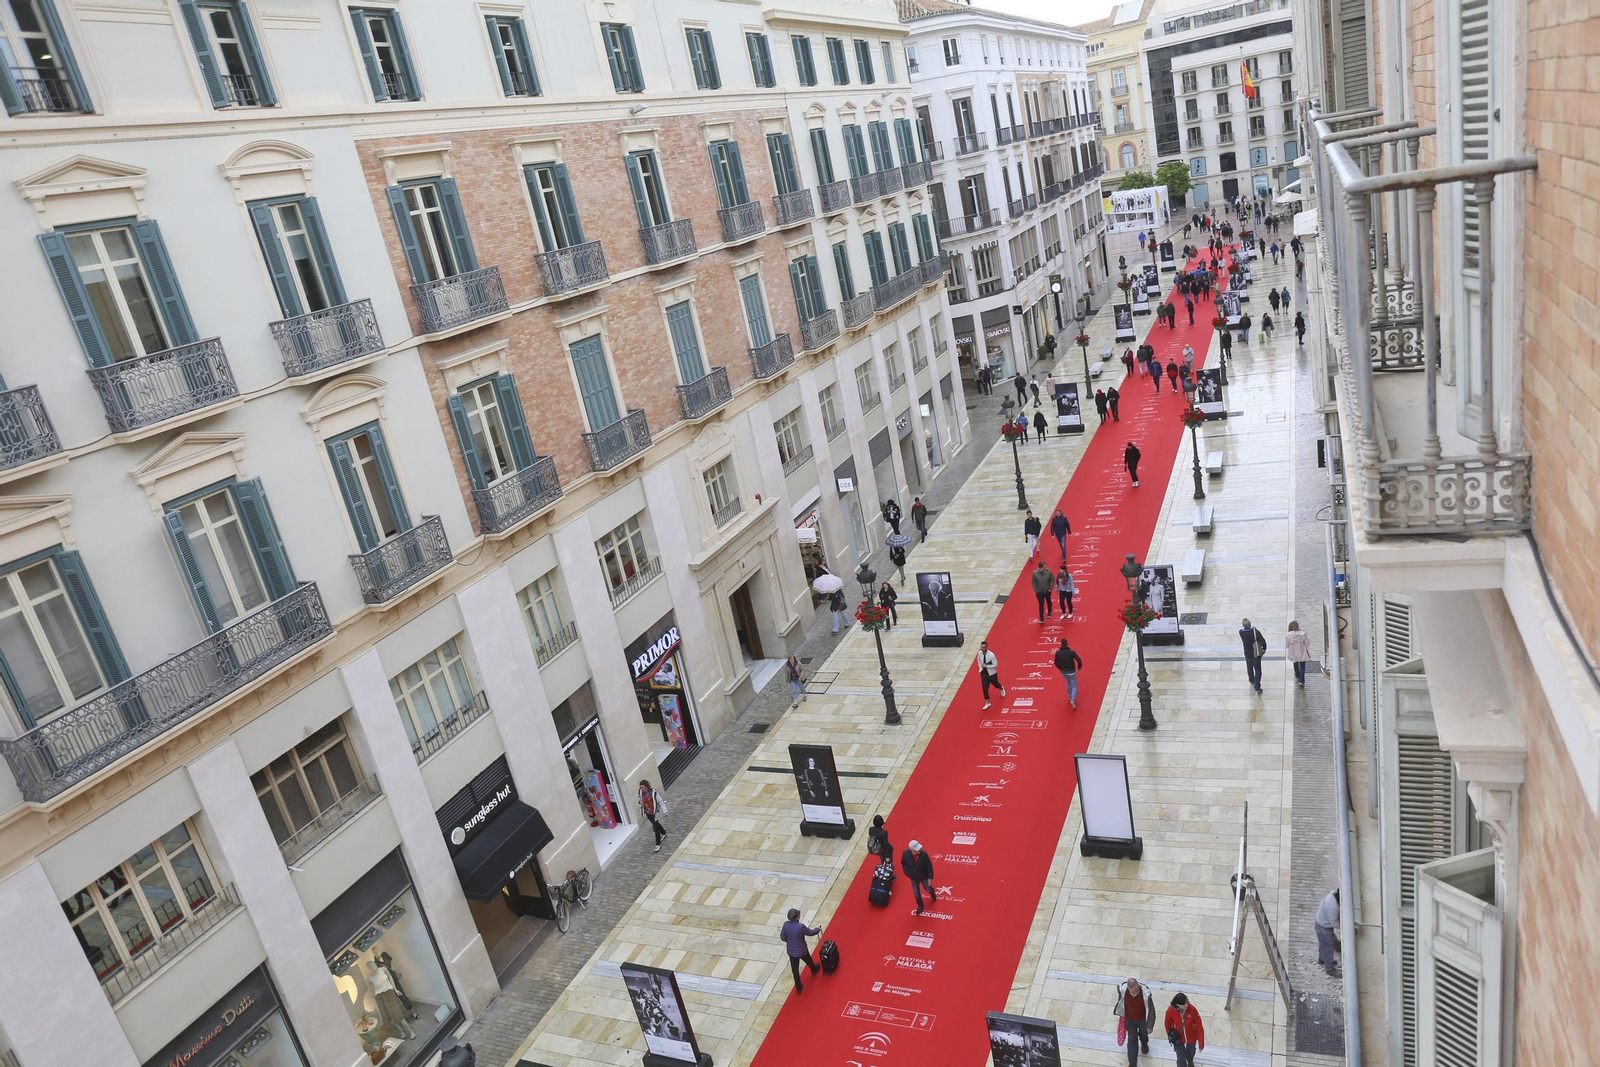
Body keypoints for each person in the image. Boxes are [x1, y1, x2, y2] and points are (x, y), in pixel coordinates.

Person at [1113, 977, 1157, 1065]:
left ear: (1138, 986)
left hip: (1142, 1020)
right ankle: (1133, 1062)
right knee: (1132, 1039)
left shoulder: (1145, 994)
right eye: (1131, 992)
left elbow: (1151, 1010)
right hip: (1130, 1019)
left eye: (1135, 991)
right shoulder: (1123, 991)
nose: (1133, 994)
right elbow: (1121, 1002)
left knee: (1143, 1035)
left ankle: (1144, 1043)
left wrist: (1149, 1026)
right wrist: (1121, 1015)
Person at [780, 908, 823, 993]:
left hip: (791, 951)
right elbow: (810, 932)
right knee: (808, 960)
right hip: (801, 950)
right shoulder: (800, 927)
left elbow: (783, 937)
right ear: (797, 917)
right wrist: (817, 929)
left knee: (795, 970)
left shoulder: (786, 925)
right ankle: (814, 969)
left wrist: (791, 941)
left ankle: (798, 988)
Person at [1164, 994, 1206, 1067]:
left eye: (1187, 1002)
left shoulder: (1192, 1009)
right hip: (1178, 1038)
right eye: (1184, 1004)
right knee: (1180, 1058)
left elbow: (1199, 1026)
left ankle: (1190, 1060)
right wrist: (1170, 1035)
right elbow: (1167, 1025)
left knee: (1191, 1051)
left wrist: (1201, 1043)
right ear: (1177, 1004)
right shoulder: (1170, 1011)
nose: (1186, 1005)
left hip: (1191, 1036)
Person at [900, 840, 937, 915]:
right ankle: (920, 905)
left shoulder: (924, 854)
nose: (919, 850)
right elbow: (903, 863)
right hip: (913, 877)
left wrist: (930, 877)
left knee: (927, 888)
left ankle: (932, 892)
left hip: (924, 876)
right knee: (916, 893)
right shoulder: (905, 854)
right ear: (912, 850)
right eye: (917, 849)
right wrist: (907, 873)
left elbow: (929, 866)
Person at [1315, 889, 1341, 976]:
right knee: (1327, 946)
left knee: (1324, 943)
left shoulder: (1333, 893)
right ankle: (1330, 969)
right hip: (1324, 926)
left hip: (1320, 923)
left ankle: (1322, 959)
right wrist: (1347, 930)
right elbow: (1334, 923)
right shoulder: (1333, 907)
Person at [638, 779, 668, 851]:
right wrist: (640, 802)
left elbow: (660, 802)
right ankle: (664, 833)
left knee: (655, 828)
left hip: (655, 812)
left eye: (643, 787)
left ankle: (658, 844)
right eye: (641, 787)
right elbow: (639, 799)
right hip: (648, 812)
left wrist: (665, 812)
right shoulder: (640, 792)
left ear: (646, 786)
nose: (642, 789)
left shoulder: (653, 793)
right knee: (656, 824)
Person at [1054, 638, 1083, 709]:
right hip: (1071, 672)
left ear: (1061, 644)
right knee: (1074, 685)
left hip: (1063, 672)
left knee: (1068, 683)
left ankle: (1070, 697)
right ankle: (1073, 700)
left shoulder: (1058, 653)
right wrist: (1079, 667)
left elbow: (1055, 662)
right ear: (1067, 644)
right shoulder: (1071, 652)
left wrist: (1060, 668)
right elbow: (1079, 659)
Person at [1239, 618, 1266, 693]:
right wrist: (1264, 649)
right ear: (1250, 624)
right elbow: (1262, 641)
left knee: (1249, 667)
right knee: (1258, 670)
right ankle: (1257, 687)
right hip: (1256, 654)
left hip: (1247, 653)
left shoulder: (1241, 632)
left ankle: (1251, 679)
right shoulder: (1255, 632)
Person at [977, 640, 1005, 708]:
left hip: (992, 673)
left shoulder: (991, 655)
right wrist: (980, 668)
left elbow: (996, 664)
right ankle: (987, 702)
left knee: (995, 684)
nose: (982, 649)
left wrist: (987, 666)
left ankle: (1001, 688)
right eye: (981, 647)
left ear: (986, 647)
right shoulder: (979, 653)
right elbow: (978, 660)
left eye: (984, 647)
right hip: (984, 673)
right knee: (985, 688)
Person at [1284, 620, 1312, 686]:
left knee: (1295, 663)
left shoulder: (1288, 635)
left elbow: (1287, 645)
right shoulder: (1302, 634)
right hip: (1302, 651)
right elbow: (1307, 643)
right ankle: (1301, 681)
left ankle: (1297, 675)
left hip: (1293, 652)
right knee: (1302, 666)